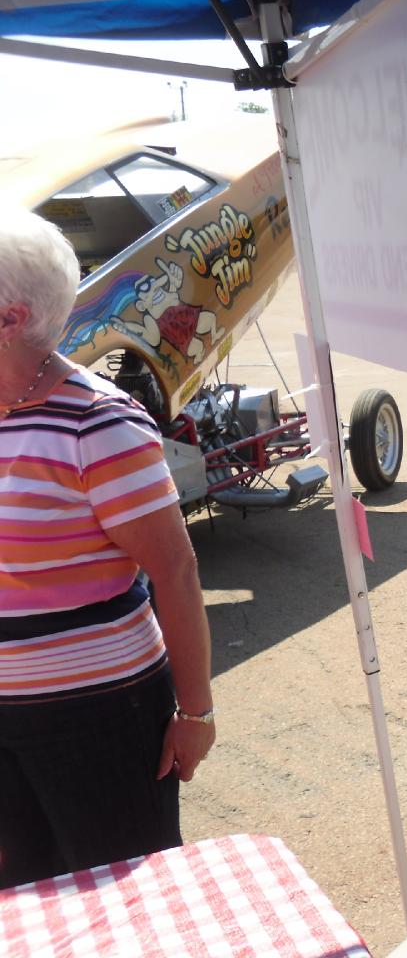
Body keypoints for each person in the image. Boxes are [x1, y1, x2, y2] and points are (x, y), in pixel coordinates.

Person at [0, 208, 215, 889]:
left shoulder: (98, 423)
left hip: (97, 716)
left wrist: (196, 712)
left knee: (123, 898)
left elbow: (175, 571)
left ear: (10, 319)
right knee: (23, 902)